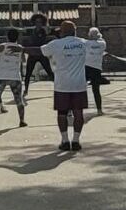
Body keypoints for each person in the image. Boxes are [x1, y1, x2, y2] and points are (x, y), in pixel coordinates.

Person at [39, 18, 94, 153]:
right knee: (78, 113)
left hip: (62, 85)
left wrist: (21, 49)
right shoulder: (83, 43)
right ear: (75, 31)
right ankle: (76, 141)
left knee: (62, 113)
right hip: (79, 85)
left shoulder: (56, 44)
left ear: (63, 32)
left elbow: (39, 51)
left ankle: (65, 141)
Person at [0, 30, 28, 126]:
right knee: (18, 100)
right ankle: (22, 121)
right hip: (15, 77)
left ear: (7, 37)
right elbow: (23, 61)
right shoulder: (20, 48)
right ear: (17, 37)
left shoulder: (3, 46)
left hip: (1, 76)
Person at [83, 23, 109, 115]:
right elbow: (100, 39)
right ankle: (99, 110)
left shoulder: (86, 43)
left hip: (86, 67)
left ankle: (75, 109)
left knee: (81, 88)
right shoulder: (102, 44)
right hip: (97, 68)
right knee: (96, 90)